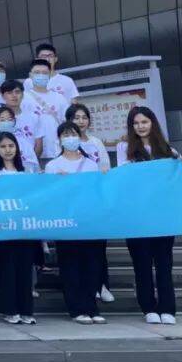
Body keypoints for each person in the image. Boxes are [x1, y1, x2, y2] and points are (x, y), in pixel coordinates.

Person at [118, 106, 180, 325]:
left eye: (144, 122)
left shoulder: (168, 150)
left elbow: (176, 180)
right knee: (142, 263)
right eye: (136, 123)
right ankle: (148, 307)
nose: (140, 126)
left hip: (162, 217)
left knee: (164, 263)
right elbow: (124, 179)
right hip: (137, 217)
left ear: (152, 123)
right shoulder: (125, 149)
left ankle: (168, 308)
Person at [44, 122, 104, 325]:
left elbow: (96, 190)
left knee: (92, 265)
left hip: (88, 220)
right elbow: (49, 195)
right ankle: (76, 308)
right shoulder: (53, 166)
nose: (70, 138)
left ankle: (92, 307)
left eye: (73, 134)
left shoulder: (91, 164)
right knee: (71, 266)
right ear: (60, 139)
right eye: (65, 135)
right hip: (66, 222)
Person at [65, 103, 114, 304]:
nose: (81, 121)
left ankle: (102, 284)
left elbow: (105, 167)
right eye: (76, 118)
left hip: (95, 200)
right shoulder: (65, 143)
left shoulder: (96, 142)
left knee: (98, 245)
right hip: (74, 203)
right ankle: (89, 286)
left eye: (84, 117)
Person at [0, 132, 38, 324]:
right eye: (3, 146)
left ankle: (26, 310)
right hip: (3, 228)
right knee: (7, 269)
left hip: (25, 227)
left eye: (11, 146)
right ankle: (10, 310)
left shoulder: (27, 171)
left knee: (25, 269)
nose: (7, 150)